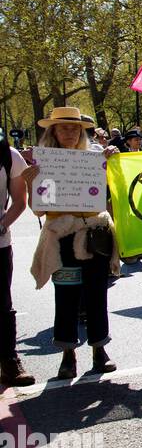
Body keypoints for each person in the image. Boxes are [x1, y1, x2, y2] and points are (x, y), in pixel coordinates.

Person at [23, 106, 119, 379]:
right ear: (53, 131)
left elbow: (113, 194)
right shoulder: (45, 164)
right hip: (63, 238)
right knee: (66, 295)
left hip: (95, 235)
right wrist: (32, 183)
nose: (70, 132)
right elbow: (39, 210)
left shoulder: (95, 158)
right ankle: (68, 354)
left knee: (97, 294)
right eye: (64, 127)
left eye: (75, 128)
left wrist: (112, 161)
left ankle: (100, 350)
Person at [0, 132, 33, 388]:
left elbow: (20, 202)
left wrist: (3, 225)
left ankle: (9, 362)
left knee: (3, 304)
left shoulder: (9, 156)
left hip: (0, 243)